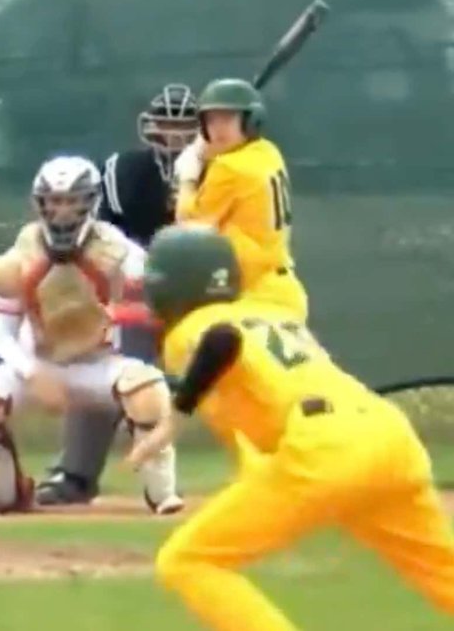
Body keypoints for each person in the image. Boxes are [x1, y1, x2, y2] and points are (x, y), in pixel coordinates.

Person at [128, 224, 454, 631]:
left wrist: (172, 419)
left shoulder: (192, 328)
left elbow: (221, 340)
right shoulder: (270, 312)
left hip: (325, 448)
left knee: (188, 560)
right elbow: (249, 429)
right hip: (390, 437)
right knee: (444, 574)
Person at [0, 154, 183, 516]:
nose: (62, 212)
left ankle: (163, 496)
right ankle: (6, 495)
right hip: (38, 364)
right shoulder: (20, 254)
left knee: (147, 390)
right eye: (54, 202)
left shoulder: (116, 249)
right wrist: (33, 374)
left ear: (90, 203)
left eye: (72, 201)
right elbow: (4, 337)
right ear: (40, 204)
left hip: (98, 365)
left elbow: (158, 285)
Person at [38, 83, 198, 506]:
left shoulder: (222, 173)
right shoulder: (123, 173)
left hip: (205, 297)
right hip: (138, 293)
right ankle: (76, 473)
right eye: (165, 124)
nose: (174, 135)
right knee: (111, 368)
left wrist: (190, 204)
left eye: (184, 127)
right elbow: (105, 242)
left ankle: (277, 471)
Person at [173, 78, 307, 320]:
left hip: (255, 298)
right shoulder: (267, 151)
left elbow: (188, 227)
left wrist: (187, 176)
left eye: (228, 118)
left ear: (251, 121)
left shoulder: (228, 167)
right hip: (282, 290)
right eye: (211, 120)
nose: (218, 129)